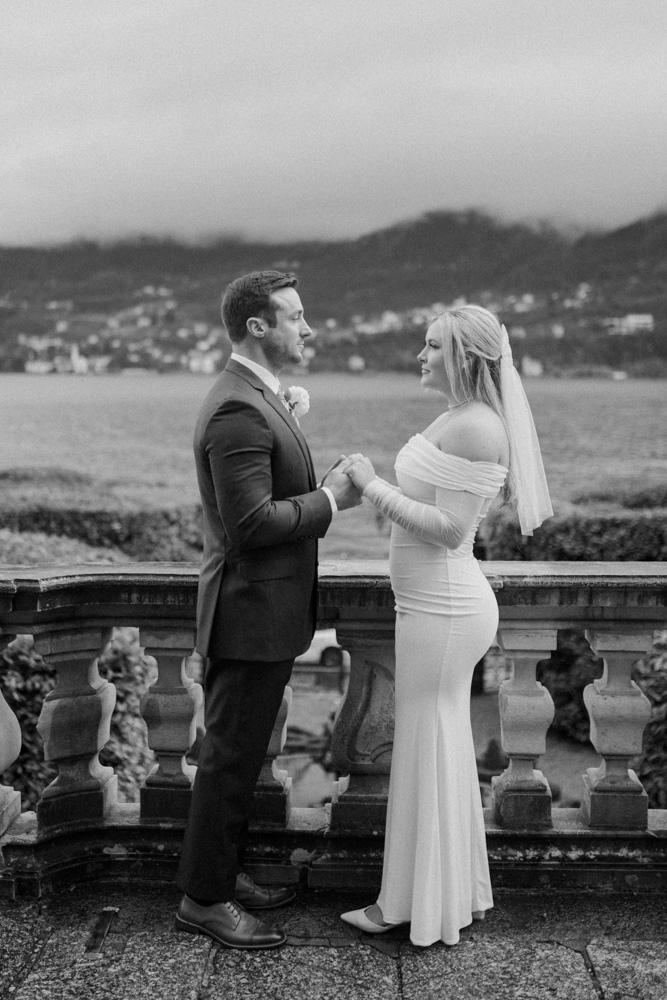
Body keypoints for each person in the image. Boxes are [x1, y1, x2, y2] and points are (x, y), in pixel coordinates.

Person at [339, 304, 552, 947]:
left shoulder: (478, 428)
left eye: (432, 346)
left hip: (447, 605)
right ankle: (441, 893)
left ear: (464, 355)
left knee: (427, 746)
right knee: (436, 747)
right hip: (427, 604)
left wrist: (371, 485)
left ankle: (408, 904)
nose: (421, 355)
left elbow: (452, 529)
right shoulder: (456, 417)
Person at [176, 270, 360, 950]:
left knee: (243, 756)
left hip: (263, 613)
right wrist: (334, 498)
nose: (308, 328)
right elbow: (250, 522)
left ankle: (224, 877)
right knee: (227, 762)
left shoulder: (255, 396)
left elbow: (263, 468)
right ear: (258, 326)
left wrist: (289, 405)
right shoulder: (237, 409)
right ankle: (204, 900)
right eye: (295, 316)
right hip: (247, 613)